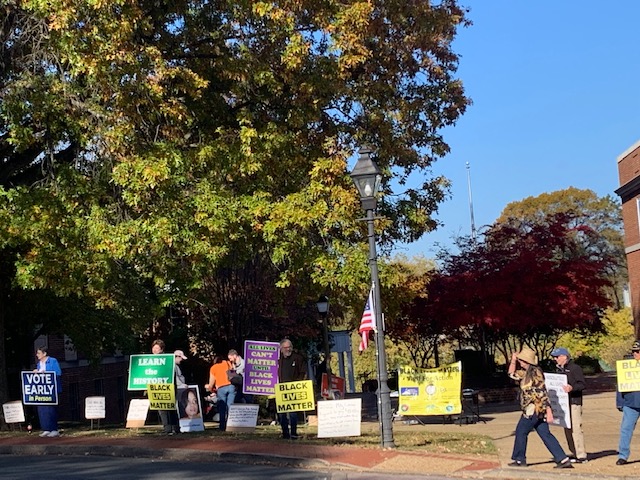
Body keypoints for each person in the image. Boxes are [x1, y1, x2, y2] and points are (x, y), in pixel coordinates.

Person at [507, 347, 573, 469]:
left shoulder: (536, 372)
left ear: (527, 361)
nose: (520, 362)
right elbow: (511, 374)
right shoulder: (525, 373)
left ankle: (519, 459)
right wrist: (513, 360)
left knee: (521, 431)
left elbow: (542, 391)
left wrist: (548, 410)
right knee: (545, 434)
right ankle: (563, 459)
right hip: (533, 409)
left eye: (522, 360)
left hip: (534, 408)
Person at [551, 346, 587, 463]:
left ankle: (581, 455)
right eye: (554, 357)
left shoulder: (575, 368)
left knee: (576, 428)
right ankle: (574, 452)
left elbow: (582, 384)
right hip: (563, 403)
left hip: (574, 402)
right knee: (567, 428)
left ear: (564, 356)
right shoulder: (558, 370)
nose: (555, 359)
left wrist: (572, 388)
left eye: (557, 357)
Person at [615, 340, 640, 466]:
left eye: (638, 351)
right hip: (630, 403)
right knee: (626, 429)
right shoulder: (626, 366)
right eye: (634, 351)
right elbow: (620, 385)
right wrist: (620, 402)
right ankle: (623, 456)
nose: (635, 354)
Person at [277, 338, 306, 440]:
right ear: (281, 349)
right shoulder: (277, 360)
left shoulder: (297, 358)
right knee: (281, 414)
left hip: (293, 389)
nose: (288, 349)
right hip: (280, 389)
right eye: (285, 347)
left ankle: (293, 433)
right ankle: (285, 433)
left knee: (293, 413)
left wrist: (298, 384)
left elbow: (303, 372)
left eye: (290, 347)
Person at [151, 339, 179, 435]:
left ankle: (173, 428)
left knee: (170, 408)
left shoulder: (169, 360)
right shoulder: (149, 362)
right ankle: (168, 429)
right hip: (156, 388)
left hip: (169, 387)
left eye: (157, 348)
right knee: (162, 409)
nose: (154, 350)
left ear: (162, 349)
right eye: (153, 348)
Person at [34, 346, 62, 438]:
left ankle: (54, 429)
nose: (37, 355)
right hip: (42, 391)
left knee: (51, 409)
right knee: (42, 409)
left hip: (52, 390)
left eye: (38, 353)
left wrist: (45, 372)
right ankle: (46, 428)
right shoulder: (39, 363)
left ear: (44, 353)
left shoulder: (53, 361)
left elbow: (58, 373)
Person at [206, 354, 236, 431]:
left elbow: (211, 382)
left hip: (221, 388)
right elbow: (232, 376)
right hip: (231, 386)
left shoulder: (213, 368)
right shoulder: (228, 363)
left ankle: (222, 426)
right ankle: (231, 425)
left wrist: (209, 388)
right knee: (230, 406)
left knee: (222, 408)